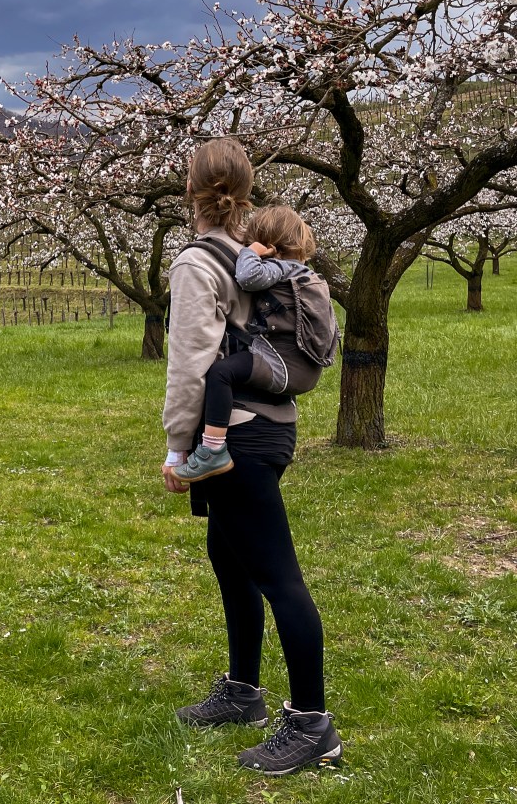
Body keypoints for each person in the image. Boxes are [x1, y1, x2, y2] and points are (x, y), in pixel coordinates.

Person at [161, 137, 342, 775]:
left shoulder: (198, 263)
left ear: (192, 191)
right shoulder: (251, 256)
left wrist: (180, 448)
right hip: (270, 429)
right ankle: (242, 693)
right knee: (230, 557)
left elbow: (191, 366)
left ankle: (312, 726)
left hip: (232, 436)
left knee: (276, 577)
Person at [174, 204, 330, 483]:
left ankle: (212, 449)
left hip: (282, 366)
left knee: (221, 373)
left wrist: (251, 253)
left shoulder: (280, 268)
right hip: (304, 370)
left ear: (270, 245)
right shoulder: (306, 274)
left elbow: (247, 276)